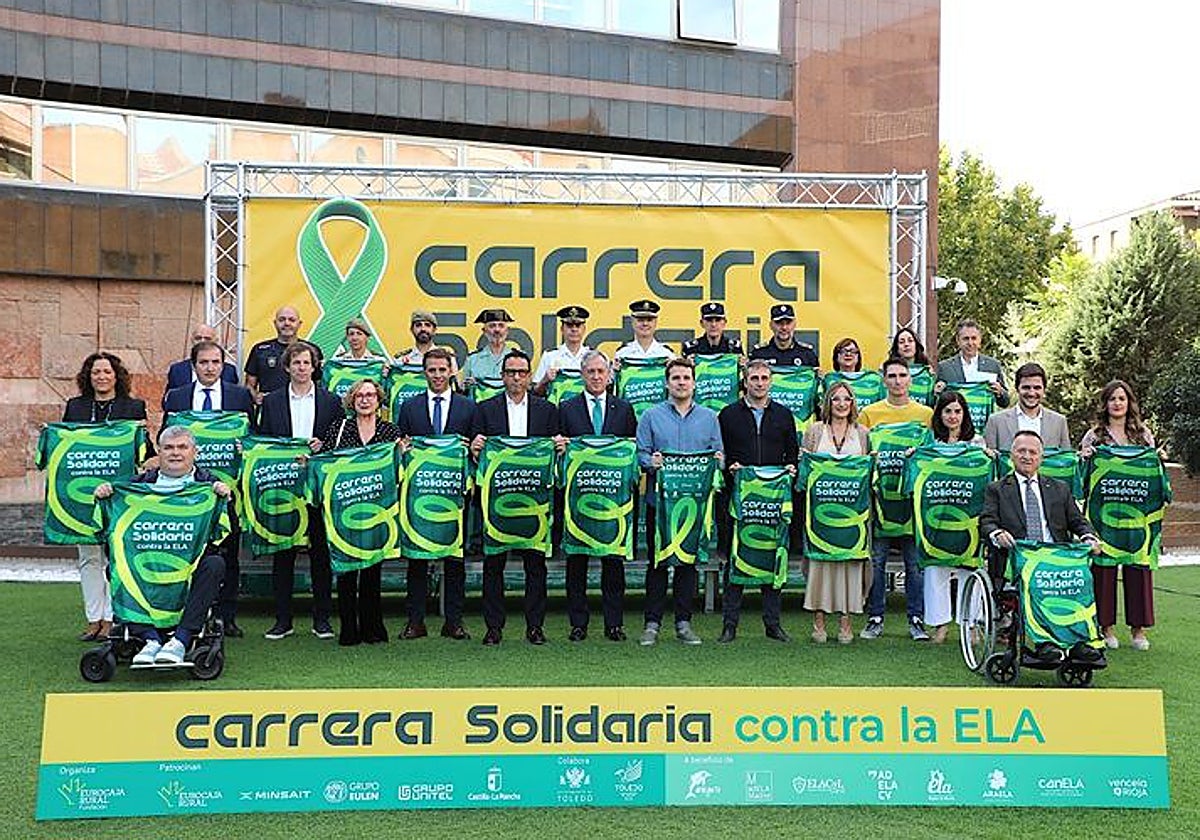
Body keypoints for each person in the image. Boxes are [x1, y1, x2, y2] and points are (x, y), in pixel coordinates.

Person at [94, 426, 231, 666]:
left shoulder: (209, 485)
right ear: (158, 451)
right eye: (168, 447)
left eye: (182, 447)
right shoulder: (135, 486)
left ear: (194, 452)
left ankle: (181, 639)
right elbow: (111, 529)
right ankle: (150, 640)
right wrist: (104, 494)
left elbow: (225, 533)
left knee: (215, 564)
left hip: (189, 566)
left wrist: (225, 499)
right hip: (147, 562)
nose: (175, 453)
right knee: (117, 568)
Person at [980, 430, 1102, 660]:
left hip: (1056, 557)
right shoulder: (996, 489)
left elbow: (1077, 521)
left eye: (1033, 452)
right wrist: (997, 533)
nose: (1027, 456)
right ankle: (1044, 643)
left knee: (1080, 580)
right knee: (1036, 584)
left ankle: (1081, 641)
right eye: (1021, 451)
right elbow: (986, 522)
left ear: (1041, 458)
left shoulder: (1059, 489)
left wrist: (1088, 537)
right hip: (1019, 559)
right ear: (1012, 455)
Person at [162, 339, 255, 637]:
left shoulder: (240, 397)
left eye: (216, 362)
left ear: (223, 366)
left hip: (228, 492)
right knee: (187, 552)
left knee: (227, 553)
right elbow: (164, 438)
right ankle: (182, 614)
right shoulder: (176, 398)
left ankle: (227, 617)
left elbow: (254, 437)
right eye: (204, 362)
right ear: (194, 365)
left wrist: (247, 446)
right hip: (186, 493)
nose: (210, 368)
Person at [470, 350, 560, 645]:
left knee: (535, 566)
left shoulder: (547, 411)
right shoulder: (484, 409)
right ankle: (493, 627)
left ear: (529, 375)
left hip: (534, 501)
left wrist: (558, 447)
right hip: (497, 501)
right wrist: (476, 445)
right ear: (502, 376)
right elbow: (475, 455)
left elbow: (555, 456)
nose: (517, 378)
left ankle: (535, 626)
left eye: (522, 372)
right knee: (493, 565)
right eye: (511, 372)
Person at [256, 341, 343, 641]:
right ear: (286, 367)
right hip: (283, 486)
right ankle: (283, 620)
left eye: (307, 363)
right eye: (296, 363)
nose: (302, 368)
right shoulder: (272, 402)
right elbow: (264, 442)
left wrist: (325, 445)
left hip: (317, 488)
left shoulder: (332, 402)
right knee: (284, 554)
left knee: (321, 553)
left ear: (315, 366)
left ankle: (322, 619)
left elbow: (339, 444)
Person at [635, 356, 723, 646]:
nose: (681, 382)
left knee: (688, 564)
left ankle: (684, 623)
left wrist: (719, 461)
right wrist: (651, 461)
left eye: (686, 378)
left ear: (694, 383)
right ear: (667, 383)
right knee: (657, 564)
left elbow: (718, 455)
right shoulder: (650, 416)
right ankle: (652, 624)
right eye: (676, 378)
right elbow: (640, 454)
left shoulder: (710, 417)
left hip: (694, 504)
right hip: (659, 503)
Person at [64, 352, 150, 642]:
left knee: (116, 557)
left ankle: (113, 619)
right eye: (96, 372)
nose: (101, 377)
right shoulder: (75, 408)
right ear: (88, 377)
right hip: (83, 499)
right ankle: (94, 619)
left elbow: (145, 454)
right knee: (89, 558)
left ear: (117, 376)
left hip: (120, 496)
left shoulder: (134, 407)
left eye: (107, 372)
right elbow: (65, 450)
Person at [395, 348, 478, 641]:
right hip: (419, 496)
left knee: (455, 559)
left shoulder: (468, 407)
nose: (438, 375)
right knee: (416, 560)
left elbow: (476, 452)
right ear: (424, 372)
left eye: (443, 370)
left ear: (451, 372)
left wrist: (473, 448)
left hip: (454, 495)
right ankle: (415, 621)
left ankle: (453, 622)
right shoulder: (409, 407)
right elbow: (400, 447)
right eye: (432, 370)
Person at [556, 350, 639, 641]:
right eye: (590, 372)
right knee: (576, 564)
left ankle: (613, 624)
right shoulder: (566, 408)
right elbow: (559, 455)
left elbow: (631, 450)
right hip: (578, 501)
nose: (595, 377)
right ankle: (578, 624)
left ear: (609, 375)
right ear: (582, 374)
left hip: (613, 503)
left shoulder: (624, 409)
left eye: (600, 372)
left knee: (613, 564)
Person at [717, 359, 798, 643]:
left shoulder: (784, 415)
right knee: (736, 559)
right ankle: (730, 624)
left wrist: (790, 469)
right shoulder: (728, 415)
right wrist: (730, 468)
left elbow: (792, 454)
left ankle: (772, 624)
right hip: (739, 499)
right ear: (745, 381)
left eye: (764, 378)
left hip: (773, 500)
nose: (760, 383)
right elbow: (721, 454)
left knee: (772, 556)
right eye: (754, 378)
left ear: (771, 381)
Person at [320, 379, 400, 646]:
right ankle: (348, 629)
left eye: (370, 395)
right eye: (359, 396)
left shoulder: (390, 431)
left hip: (378, 509)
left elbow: (398, 468)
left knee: (372, 571)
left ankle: (373, 628)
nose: (365, 400)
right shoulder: (338, 429)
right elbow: (326, 464)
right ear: (351, 401)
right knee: (346, 572)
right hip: (345, 510)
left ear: (379, 400)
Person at [1079, 380, 1158, 651]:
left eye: (1122, 398)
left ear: (1129, 403)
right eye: (1112, 399)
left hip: (1137, 514)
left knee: (1138, 569)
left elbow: (1151, 471)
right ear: (1105, 403)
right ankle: (1106, 628)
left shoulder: (1143, 435)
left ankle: (1138, 631)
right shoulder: (1094, 436)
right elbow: (1081, 476)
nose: (1117, 403)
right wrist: (1085, 457)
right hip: (1103, 516)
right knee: (1104, 570)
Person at [858, 357, 933, 641]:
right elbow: (861, 455)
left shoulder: (925, 414)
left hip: (912, 504)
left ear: (910, 379)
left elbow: (931, 456)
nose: (898, 381)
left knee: (914, 565)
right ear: (884, 379)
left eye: (903, 375)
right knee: (876, 561)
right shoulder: (869, 414)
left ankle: (916, 620)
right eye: (892, 376)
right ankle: (875, 618)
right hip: (880, 503)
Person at [799, 381, 871, 644]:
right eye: (836, 399)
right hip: (821, 514)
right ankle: (818, 622)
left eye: (847, 399)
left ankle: (846, 622)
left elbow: (868, 472)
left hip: (852, 514)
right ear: (827, 402)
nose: (842, 404)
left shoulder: (862, 433)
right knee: (821, 566)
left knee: (849, 567)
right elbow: (804, 470)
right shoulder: (815, 431)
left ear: (853, 404)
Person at [922, 390, 987, 644]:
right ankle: (940, 626)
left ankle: (970, 626)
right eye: (947, 411)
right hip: (936, 515)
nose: (952, 416)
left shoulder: (977, 443)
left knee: (968, 568)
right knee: (935, 569)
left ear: (965, 414)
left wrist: (989, 458)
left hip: (968, 516)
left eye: (957, 411)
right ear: (939, 413)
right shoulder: (930, 443)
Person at [983, 362, 1072, 451]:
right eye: (1026, 387)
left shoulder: (1059, 422)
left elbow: (1066, 460)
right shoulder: (996, 421)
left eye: (1037, 388)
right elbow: (989, 459)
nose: (1031, 393)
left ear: (1044, 390)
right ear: (1017, 388)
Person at [245, 305, 323, 402]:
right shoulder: (259, 350)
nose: (286, 323)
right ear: (275, 323)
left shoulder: (312, 350)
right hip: (270, 409)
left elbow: (320, 384)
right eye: (282, 320)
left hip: (304, 406)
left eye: (292, 320)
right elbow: (249, 385)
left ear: (299, 324)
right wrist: (256, 397)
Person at [934, 319, 1010, 407]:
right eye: (966, 339)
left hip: (984, 419)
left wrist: (1000, 392)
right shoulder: (945, 368)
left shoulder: (992, 365)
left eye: (974, 338)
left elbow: (1005, 403)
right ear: (958, 341)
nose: (970, 343)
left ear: (980, 340)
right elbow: (935, 402)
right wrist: (936, 392)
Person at [163, 323, 238, 394]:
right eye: (198, 338)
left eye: (207, 338)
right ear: (192, 340)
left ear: (216, 341)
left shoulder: (229, 371)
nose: (202, 341)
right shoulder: (177, 370)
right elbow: (168, 400)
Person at [534, 305, 592, 395]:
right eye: (569, 325)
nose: (574, 329)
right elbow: (536, 392)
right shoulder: (550, 356)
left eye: (578, 325)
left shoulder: (593, 357)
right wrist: (545, 380)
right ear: (562, 329)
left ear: (584, 329)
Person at [393, 309, 460, 378]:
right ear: (412, 330)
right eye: (418, 325)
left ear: (434, 330)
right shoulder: (400, 359)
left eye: (427, 325)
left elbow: (454, 385)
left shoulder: (447, 357)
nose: (423, 329)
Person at [748, 304, 819, 367]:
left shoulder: (807, 354)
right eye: (779, 323)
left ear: (794, 324)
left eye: (788, 323)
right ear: (771, 325)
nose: (784, 327)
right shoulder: (759, 354)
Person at [462, 308, 516, 386]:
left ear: (507, 330)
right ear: (484, 331)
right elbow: (464, 390)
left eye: (501, 326)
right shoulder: (472, 360)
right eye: (492, 326)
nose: (497, 330)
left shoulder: (518, 358)